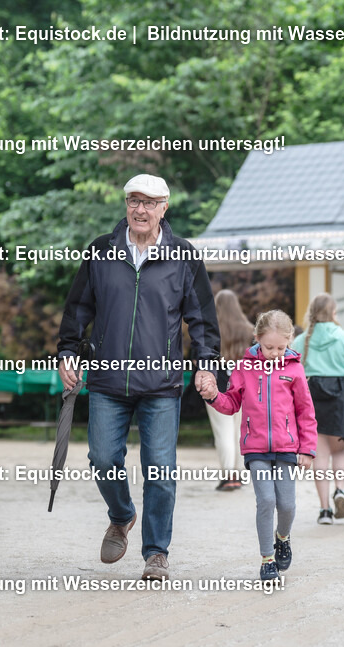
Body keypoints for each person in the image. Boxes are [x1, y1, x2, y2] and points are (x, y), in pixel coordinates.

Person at [58, 173, 220, 581]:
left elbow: (202, 319)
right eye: (134, 200)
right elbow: (78, 309)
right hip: (109, 381)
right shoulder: (101, 251)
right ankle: (122, 515)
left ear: (165, 208)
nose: (140, 209)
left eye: (150, 202)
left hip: (161, 385)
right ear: (126, 205)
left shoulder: (184, 256)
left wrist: (206, 364)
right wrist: (67, 352)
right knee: (102, 458)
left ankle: (156, 553)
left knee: (161, 469)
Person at [200, 310, 316, 580]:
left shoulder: (295, 370)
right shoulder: (244, 367)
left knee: (286, 505)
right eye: (268, 347)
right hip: (256, 448)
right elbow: (231, 404)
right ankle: (267, 560)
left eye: (280, 347)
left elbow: (306, 412)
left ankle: (283, 537)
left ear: (290, 341)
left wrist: (308, 449)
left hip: (287, 448)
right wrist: (214, 396)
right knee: (266, 500)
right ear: (256, 339)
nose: (274, 353)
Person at [293, 293, 344, 524]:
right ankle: (340, 490)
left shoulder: (300, 341)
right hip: (339, 398)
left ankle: (325, 510)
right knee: (339, 451)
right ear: (333, 313)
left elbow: (292, 374)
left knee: (320, 456)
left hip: (310, 399)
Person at [205, 289, 251, 491]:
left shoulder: (211, 331)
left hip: (218, 388)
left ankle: (228, 475)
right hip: (246, 388)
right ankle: (240, 474)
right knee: (241, 431)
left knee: (222, 432)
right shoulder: (250, 331)